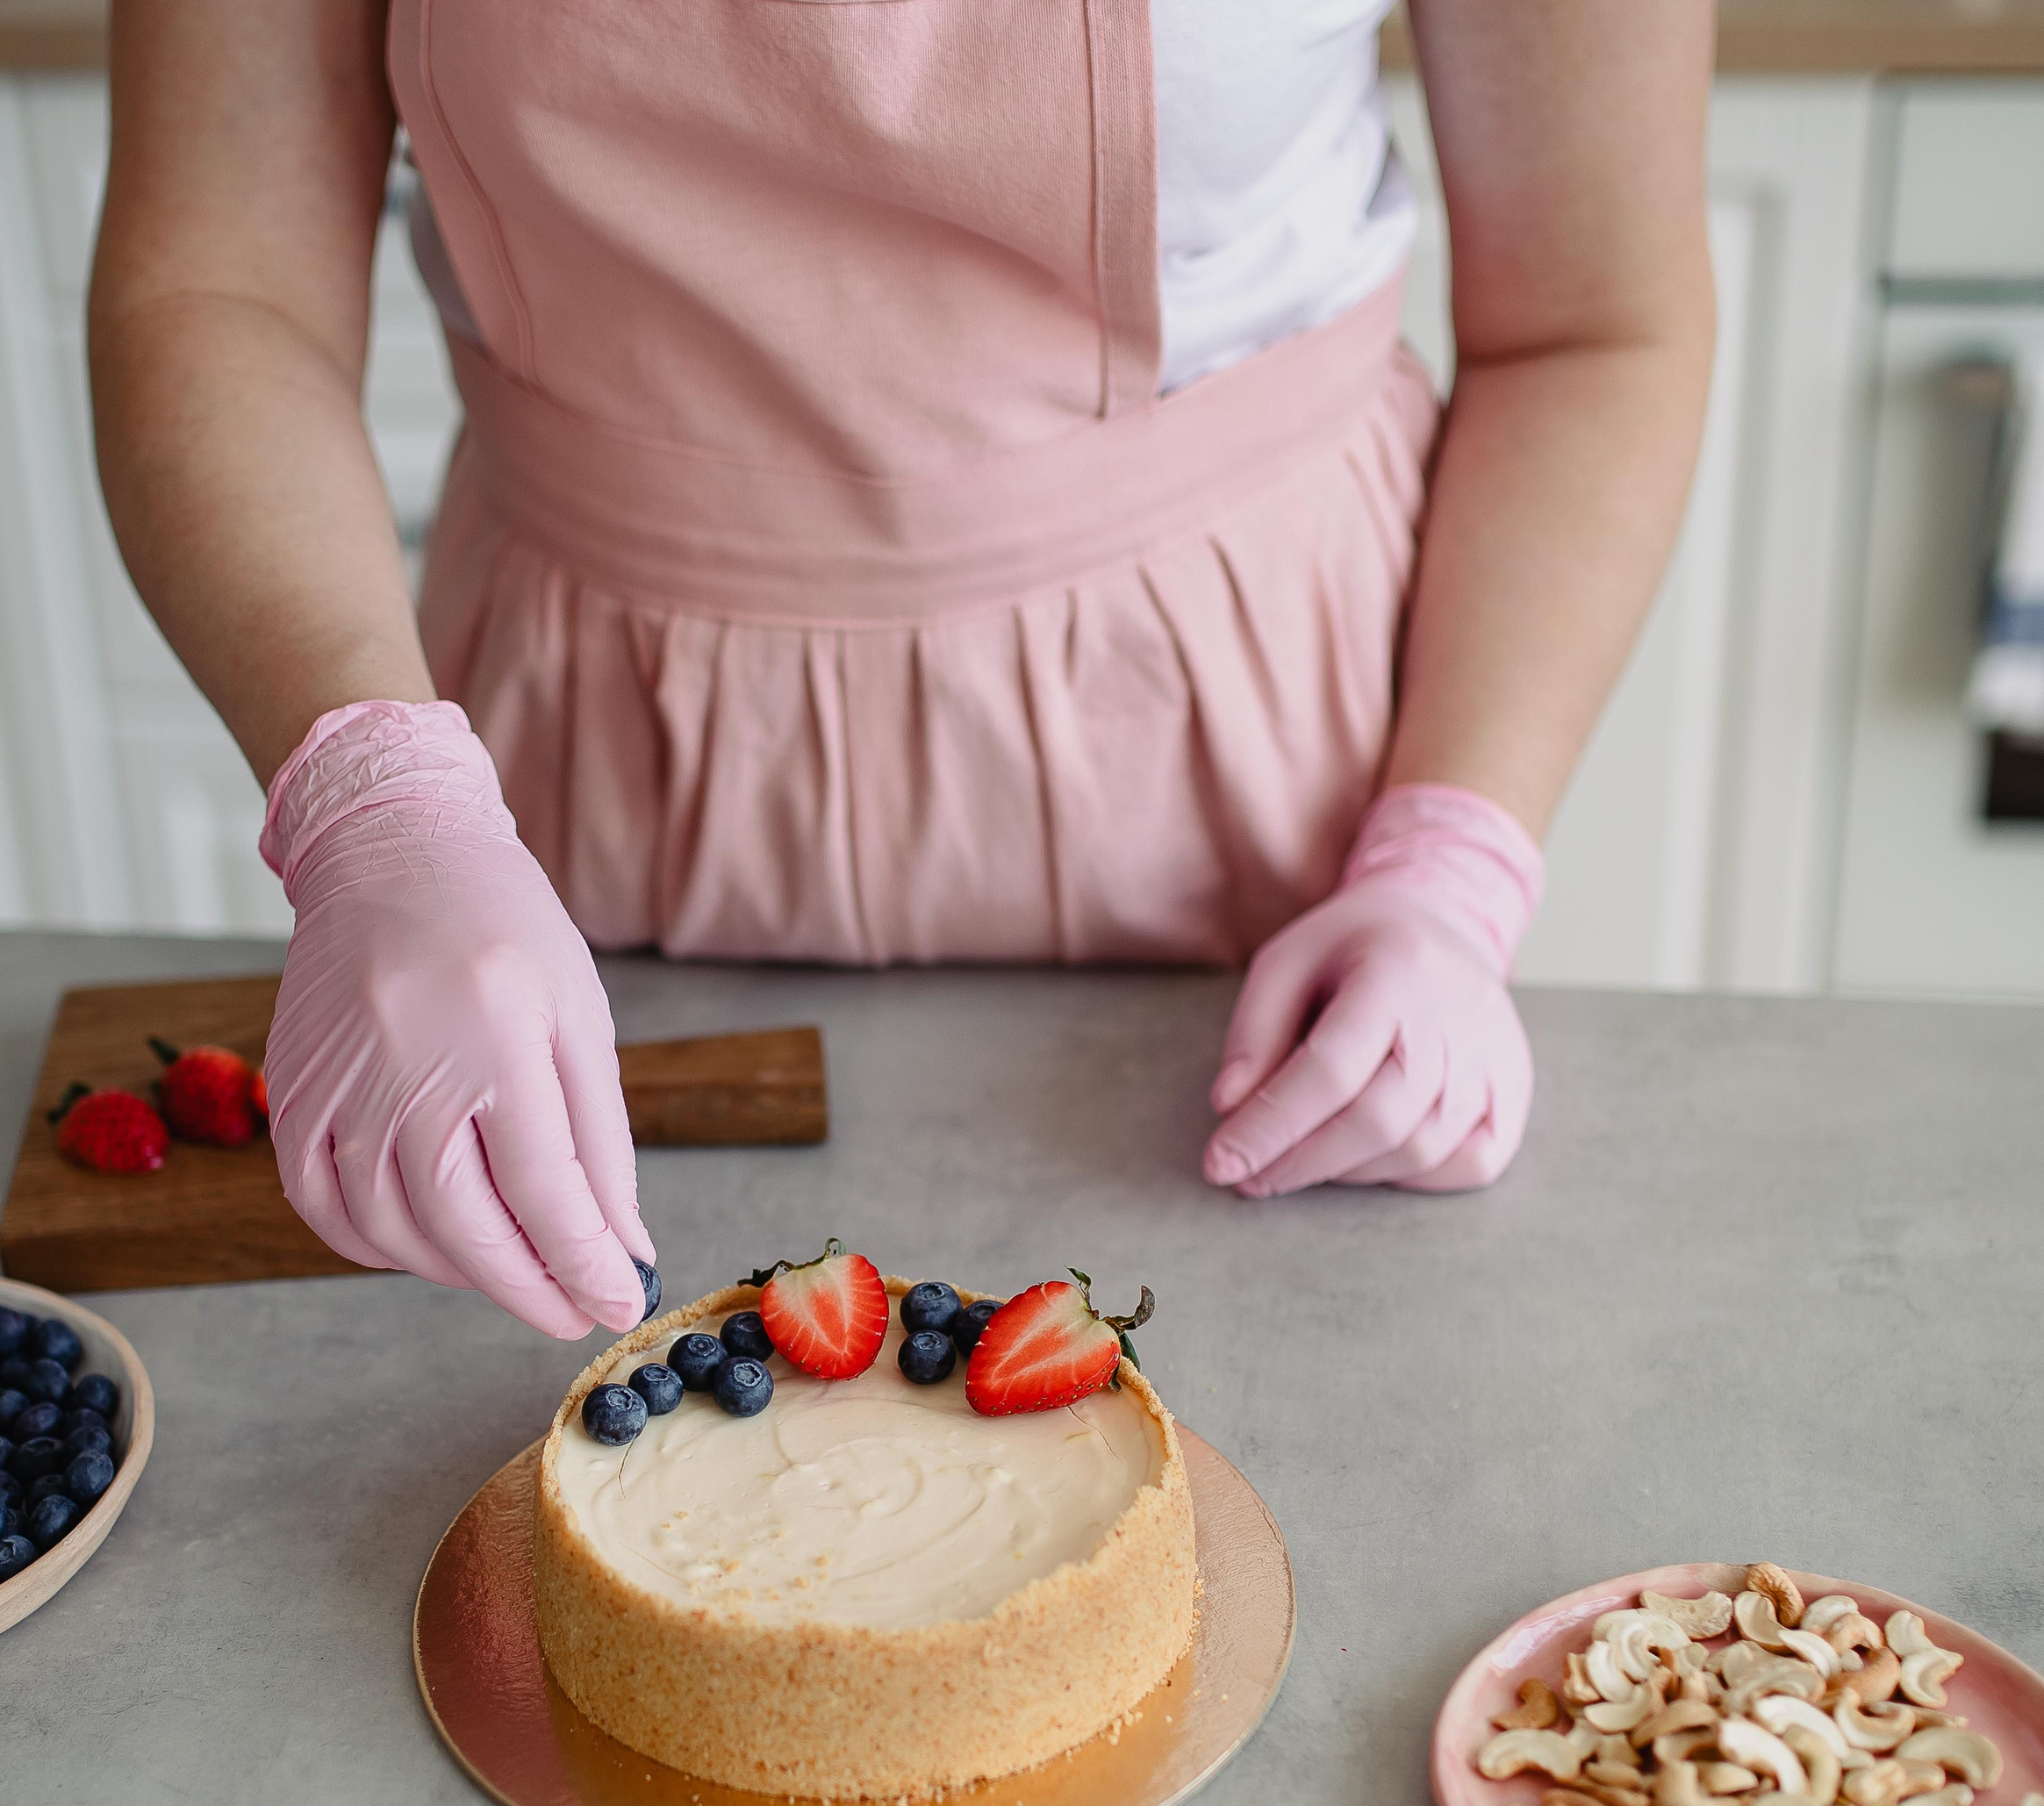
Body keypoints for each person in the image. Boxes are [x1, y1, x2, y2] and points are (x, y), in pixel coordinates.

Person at [90, 0, 1715, 1340]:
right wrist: (377, 807)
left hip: (1264, 791)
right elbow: (218, 283)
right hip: (565, 780)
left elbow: (1592, 320)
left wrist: (1451, 865)